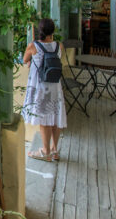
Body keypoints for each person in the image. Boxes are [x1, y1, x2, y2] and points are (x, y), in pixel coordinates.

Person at [22, 18, 67, 162]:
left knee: (44, 119)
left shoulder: (33, 46)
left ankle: (45, 151)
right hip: (56, 86)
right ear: (52, 31)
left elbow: (24, 59)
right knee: (55, 117)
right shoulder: (58, 46)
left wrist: (31, 61)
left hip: (42, 87)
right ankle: (54, 150)